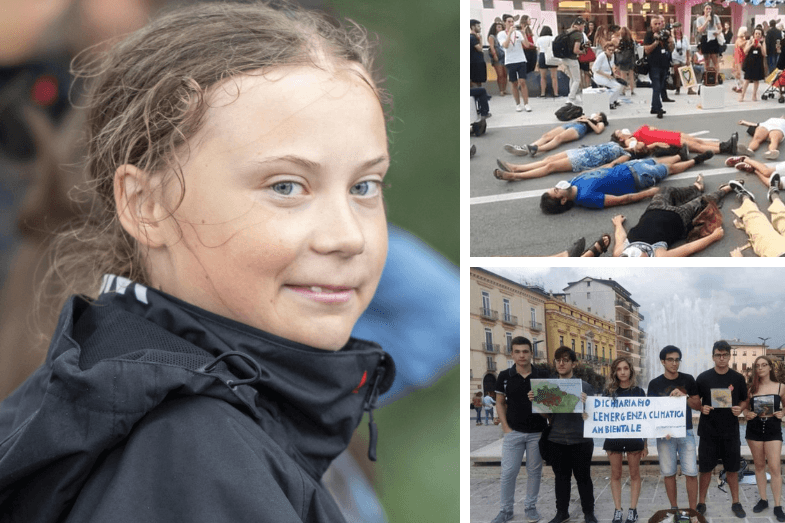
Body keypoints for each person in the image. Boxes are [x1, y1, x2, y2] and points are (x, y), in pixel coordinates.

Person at [0, 4, 399, 521]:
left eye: (364, 186)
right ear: (145, 205)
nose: (348, 237)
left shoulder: (186, 415)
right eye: (285, 186)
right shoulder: (196, 453)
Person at [534, 347, 597, 523]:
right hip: (556, 439)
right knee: (561, 480)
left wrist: (586, 404)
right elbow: (547, 416)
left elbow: (593, 416)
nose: (561, 363)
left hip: (581, 440)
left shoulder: (585, 387)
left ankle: (589, 513)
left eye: (566, 360)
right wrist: (538, 403)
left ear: (573, 364)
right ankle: (562, 512)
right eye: (558, 360)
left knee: (584, 478)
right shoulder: (548, 386)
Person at [492, 336, 549, 523]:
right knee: (508, 472)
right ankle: (506, 510)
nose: (522, 355)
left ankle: (530, 507)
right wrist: (506, 427)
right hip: (513, 432)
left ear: (531, 353)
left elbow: (550, 407)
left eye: (525, 351)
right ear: (512, 354)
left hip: (537, 432)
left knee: (534, 472)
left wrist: (540, 401)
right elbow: (500, 403)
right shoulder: (504, 377)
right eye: (517, 351)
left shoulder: (542, 375)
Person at [539, 155, 714, 214]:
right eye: (556, 191)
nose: (558, 186)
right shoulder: (586, 198)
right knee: (668, 169)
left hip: (627, 166)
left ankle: (680, 155)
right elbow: (622, 200)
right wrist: (649, 193)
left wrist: (615, 162)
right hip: (637, 177)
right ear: (562, 200)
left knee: (655, 160)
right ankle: (695, 160)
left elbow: (599, 170)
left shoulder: (573, 182)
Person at [610, 176, 736, 257]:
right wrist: (713, 237)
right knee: (703, 201)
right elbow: (688, 248)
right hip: (680, 217)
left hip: (654, 208)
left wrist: (618, 224)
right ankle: (724, 190)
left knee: (666, 190)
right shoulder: (658, 256)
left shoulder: (619, 253)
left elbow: (620, 237)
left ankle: (695, 188)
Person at [694, 341, 749, 519]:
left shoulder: (738, 378)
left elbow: (744, 400)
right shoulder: (703, 378)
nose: (722, 358)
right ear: (713, 356)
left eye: (725, 355)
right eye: (718, 355)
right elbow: (695, 401)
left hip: (730, 432)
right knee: (705, 470)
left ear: (729, 356)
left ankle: (736, 502)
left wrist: (740, 408)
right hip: (708, 432)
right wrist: (701, 408)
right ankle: (701, 502)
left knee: (732, 469)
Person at [647, 346, 701, 516]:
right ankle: (674, 507)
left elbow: (698, 405)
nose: (674, 363)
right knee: (669, 473)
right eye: (670, 359)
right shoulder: (654, 384)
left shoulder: (688, 379)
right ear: (662, 361)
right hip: (665, 435)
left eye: (677, 359)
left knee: (691, 472)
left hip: (686, 431)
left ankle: (693, 510)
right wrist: (661, 429)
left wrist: (685, 396)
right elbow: (651, 412)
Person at [743, 356, 785, 521]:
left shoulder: (780, 387)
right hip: (754, 430)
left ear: (770, 367)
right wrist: (746, 414)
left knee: (775, 468)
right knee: (759, 466)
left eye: (764, 365)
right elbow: (745, 409)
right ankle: (763, 500)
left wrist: (782, 413)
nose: (761, 368)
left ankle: (778, 505)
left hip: (773, 430)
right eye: (758, 366)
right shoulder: (751, 389)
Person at [603, 356, 647, 523]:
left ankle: (633, 510)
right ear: (615, 372)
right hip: (613, 436)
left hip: (634, 436)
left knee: (635, 474)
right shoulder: (608, 392)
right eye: (619, 369)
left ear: (630, 371)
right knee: (616, 474)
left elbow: (645, 419)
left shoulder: (638, 392)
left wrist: (645, 443)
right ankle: (617, 510)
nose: (622, 372)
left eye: (625, 368)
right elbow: (600, 415)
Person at [494, 140, 644, 181]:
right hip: (582, 151)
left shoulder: (627, 155)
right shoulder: (618, 143)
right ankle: (517, 167)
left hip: (586, 160)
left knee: (550, 166)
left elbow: (611, 164)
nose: (636, 141)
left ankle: (515, 175)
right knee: (549, 158)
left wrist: (591, 171)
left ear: (637, 150)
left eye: (639, 144)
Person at [504, 113, 608, 157]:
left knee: (559, 138)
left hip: (581, 128)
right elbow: (577, 119)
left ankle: (536, 149)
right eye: (597, 114)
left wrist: (588, 121)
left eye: (599, 115)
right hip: (573, 124)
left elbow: (598, 131)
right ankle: (524, 148)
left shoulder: (600, 123)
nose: (597, 115)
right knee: (547, 136)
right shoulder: (589, 116)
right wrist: (582, 118)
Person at [613, 125, 740, 155]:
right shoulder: (629, 140)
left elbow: (652, 129)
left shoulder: (633, 133)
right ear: (620, 138)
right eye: (618, 132)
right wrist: (656, 144)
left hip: (668, 135)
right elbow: (634, 148)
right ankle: (725, 148)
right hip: (666, 140)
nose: (620, 130)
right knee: (697, 146)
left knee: (698, 141)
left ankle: (724, 144)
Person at [498, 14, 533, 112]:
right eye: (509, 21)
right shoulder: (501, 34)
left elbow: (526, 45)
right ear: (504, 22)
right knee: (513, 83)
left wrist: (524, 34)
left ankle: (526, 103)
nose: (511, 23)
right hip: (510, 61)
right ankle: (518, 104)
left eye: (512, 21)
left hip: (521, 59)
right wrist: (509, 33)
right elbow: (505, 45)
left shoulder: (518, 33)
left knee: (522, 82)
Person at [644, 15, 674, 118]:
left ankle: (654, 107)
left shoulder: (664, 34)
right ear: (651, 26)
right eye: (655, 24)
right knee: (656, 86)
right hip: (654, 65)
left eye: (659, 23)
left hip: (664, 65)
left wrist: (671, 42)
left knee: (660, 87)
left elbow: (670, 49)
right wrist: (656, 42)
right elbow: (646, 50)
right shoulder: (649, 35)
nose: (657, 26)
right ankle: (658, 109)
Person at [592, 42, 625, 109]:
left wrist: (615, 74)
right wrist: (606, 75)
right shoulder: (601, 56)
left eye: (612, 50)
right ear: (605, 49)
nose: (611, 51)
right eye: (609, 50)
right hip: (599, 76)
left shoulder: (612, 55)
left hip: (608, 75)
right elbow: (595, 69)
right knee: (616, 86)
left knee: (619, 85)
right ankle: (609, 102)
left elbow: (612, 65)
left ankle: (613, 100)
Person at [564, 17, 588, 106]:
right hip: (572, 59)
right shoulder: (578, 34)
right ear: (580, 25)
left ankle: (572, 97)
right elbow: (575, 50)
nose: (584, 28)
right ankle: (570, 98)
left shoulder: (567, 32)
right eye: (583, 26)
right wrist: (582, 52)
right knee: (577, 80)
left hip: (564, 58)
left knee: (572, 78)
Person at [695, 4, 723, 79]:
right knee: (706, 60)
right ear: (704, 10)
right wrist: (707, 20)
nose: (708, 10)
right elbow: (700, 30)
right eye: (707, 9)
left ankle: (716, 78)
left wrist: (718, 32)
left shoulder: (716, 17)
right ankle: (707, 78)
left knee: (715, 60)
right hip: (705, 38)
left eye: (710, 8)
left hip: (713, 38)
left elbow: (720, 28)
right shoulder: (700, 19)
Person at [740, 28, 768, 102]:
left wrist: (760, 46)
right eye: (756, 33)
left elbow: (764, 54)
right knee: (747, 80)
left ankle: (754, 95)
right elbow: (745, 51)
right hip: (750, 62)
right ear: (754, 34)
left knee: (756, 80)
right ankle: (742, 95)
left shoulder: (762, 42)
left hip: (758, 63)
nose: (757, 35)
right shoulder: (750, 41)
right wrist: (752, 44)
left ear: (761, 35)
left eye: (759, 34)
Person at [537, 26, 561, 98]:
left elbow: (538, 48)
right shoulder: (553, 38)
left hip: (542, 55)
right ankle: (556, 93)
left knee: (543, 77)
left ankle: (543, 93)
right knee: (554, 77)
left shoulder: (539, 39)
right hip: (551, 56)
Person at [488, 21, 509, 96]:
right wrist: (494, 55)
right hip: (498, 55)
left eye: (501, 27)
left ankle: (504, 89)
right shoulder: (492, 36)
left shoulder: (503, 35)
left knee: (505, 74)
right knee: (500, 74)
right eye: (499, 27)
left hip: (505, 55)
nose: (501, 28)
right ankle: (501, 90)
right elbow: (492, 46)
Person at [613, 27, 636, 95]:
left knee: (623, 76)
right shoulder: (631, 40)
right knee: (631, 76)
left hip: (623, 60)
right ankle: (632, 90)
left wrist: (617, 51)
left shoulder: (622, 41)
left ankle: (623, 90)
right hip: (631, 59)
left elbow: (620, 49)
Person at [471, 19, 488, 87]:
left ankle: (479, 93)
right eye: (478, 26)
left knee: (479, 80)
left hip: (478, 61)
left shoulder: (474, 37)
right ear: (473, 27)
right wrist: (480, 39)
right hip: (475, 62)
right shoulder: (472, 37)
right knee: (475, 80)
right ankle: (476, 94)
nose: (480, 28)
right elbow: (480, 49)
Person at [732, 27, 748, 92]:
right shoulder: (739, 39)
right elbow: (740, 45)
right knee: (739, 73)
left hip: (740, 57)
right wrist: (747, 41)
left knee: (738, 73)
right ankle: (740, 86)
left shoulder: (741, 39)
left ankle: (739, 86)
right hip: (738, 57)